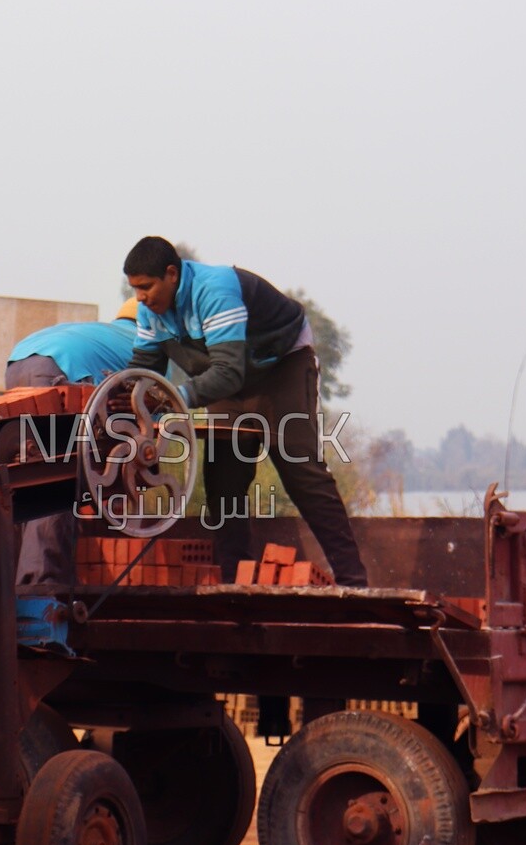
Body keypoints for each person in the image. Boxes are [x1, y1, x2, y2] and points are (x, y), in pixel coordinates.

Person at [121, 236, 368, 586]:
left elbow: (228, 372)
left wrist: (175, 399)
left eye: (146, 287)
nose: (140, 298)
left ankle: (354, 580)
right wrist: (125, 400)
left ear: (172, 274)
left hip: (279, 365)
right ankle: (235, 581)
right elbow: (144, 368)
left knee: (301, 471)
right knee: (223, 478)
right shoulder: (150, 311)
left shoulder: (215, 290)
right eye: (135, 289)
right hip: (227, 377)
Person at [6, 301, 138, 584]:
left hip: (17, 362)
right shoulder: (148, 346)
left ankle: (18, 579)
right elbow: (150, 422)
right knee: (58, 477)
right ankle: (42, 583)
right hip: (55, 370)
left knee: (30, 475)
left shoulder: (103, 334)